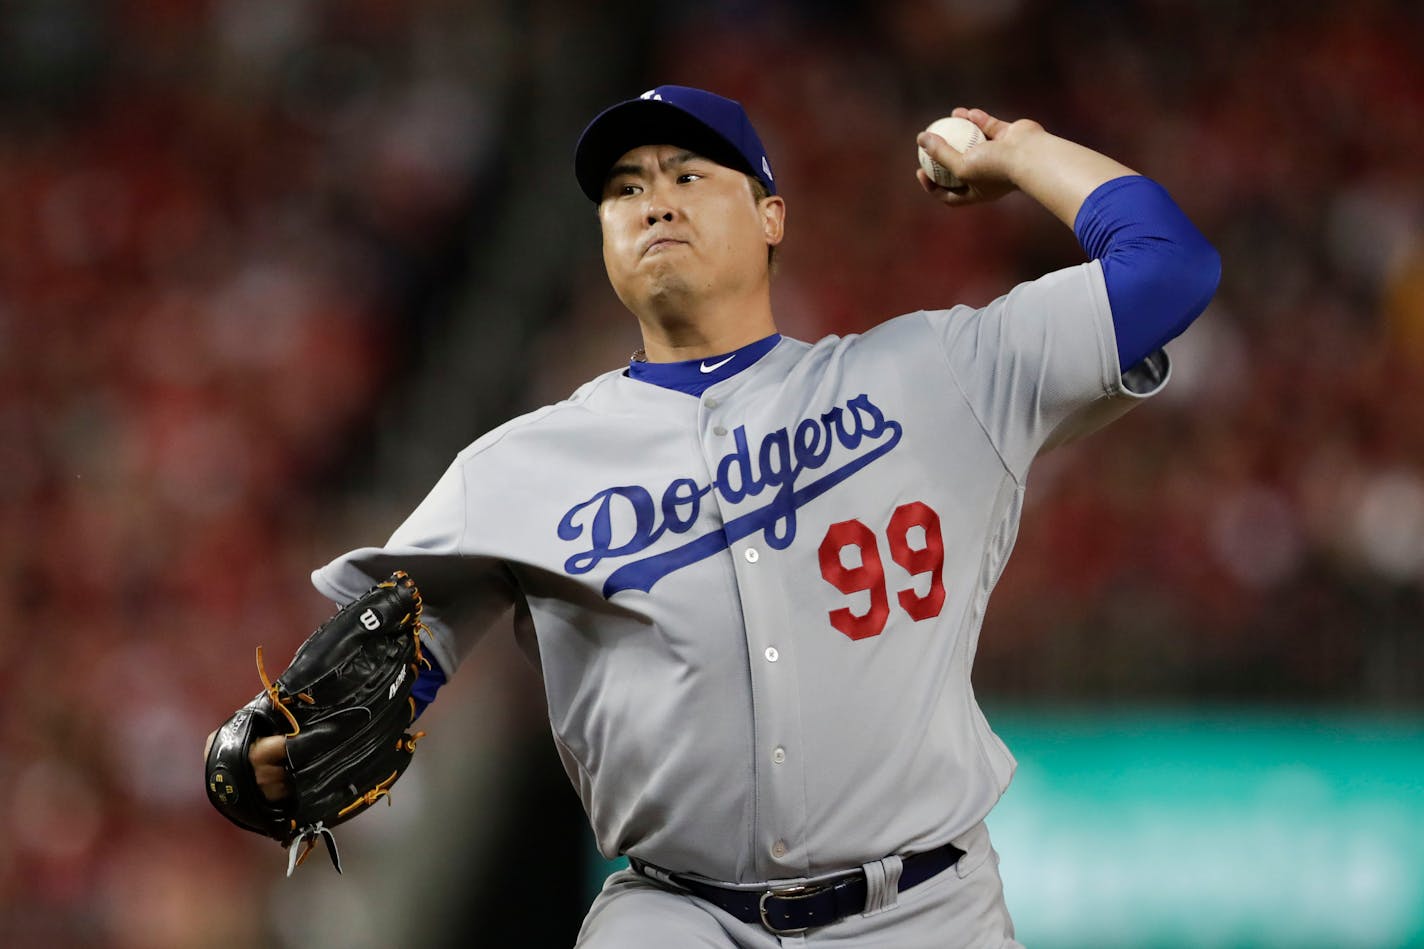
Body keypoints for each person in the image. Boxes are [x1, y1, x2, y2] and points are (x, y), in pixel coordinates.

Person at [229, 85, 1220, 946]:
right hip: (676, 917)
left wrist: (1020, 150)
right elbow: (374, 674)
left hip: (928, 910)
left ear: (771, 215)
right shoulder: (516, 468)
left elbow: (1168, 266)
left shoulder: (936, 373)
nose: (652, 199)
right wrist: (263, 755)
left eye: (688, 175)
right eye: (623, 189)